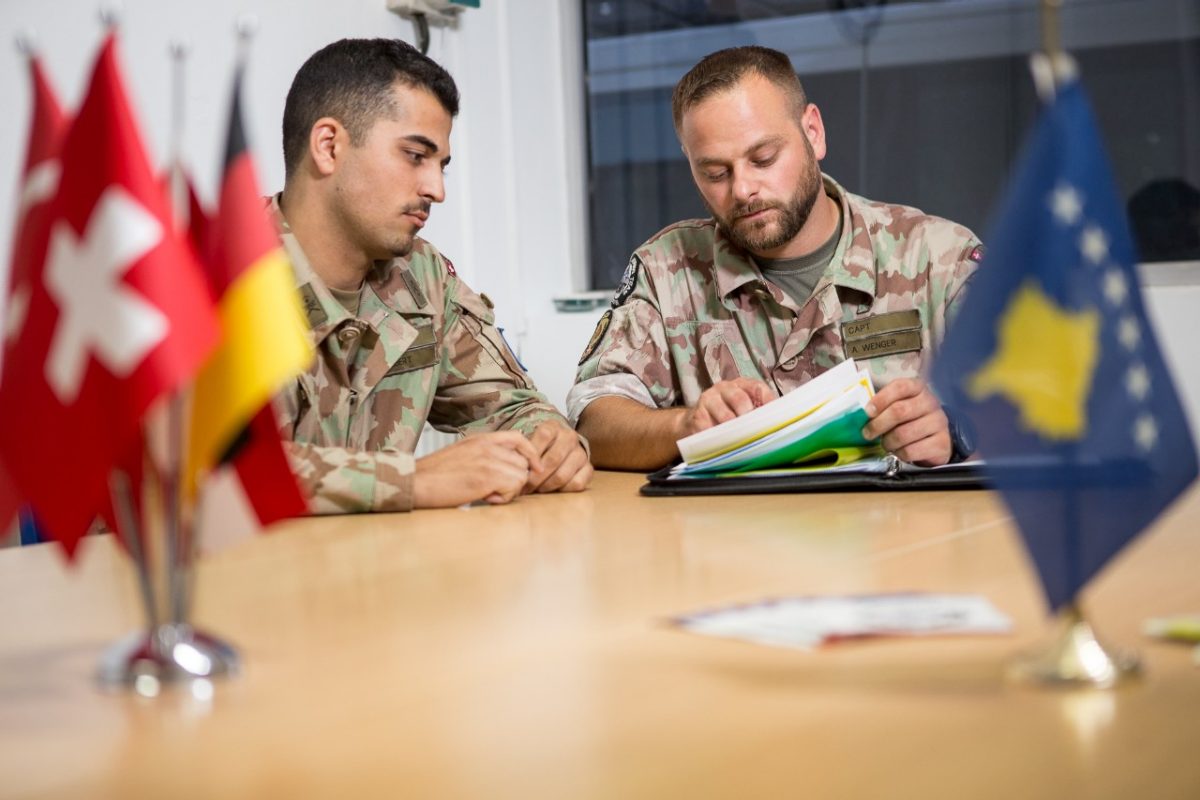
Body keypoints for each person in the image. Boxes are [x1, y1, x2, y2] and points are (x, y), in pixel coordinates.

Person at [569, 46, 982, 471]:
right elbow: (594, 423)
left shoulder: (938, 257)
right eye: (715, 173)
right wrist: (685, 425)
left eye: (763, 158)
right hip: (740, 518)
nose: (742, 189)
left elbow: (1027, 411)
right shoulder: (666, 271)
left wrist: (955, 433)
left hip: (898, 515)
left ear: (813, 132)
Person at [275, 38, 591, 512]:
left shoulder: (421, 278)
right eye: (414, 155)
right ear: (329, 146)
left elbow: (514, 406)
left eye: (441, 165)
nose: (437, 189)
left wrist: (553, 443)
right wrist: (411, 481)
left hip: (382, 558)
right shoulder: (213, 276)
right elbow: (202, 473)